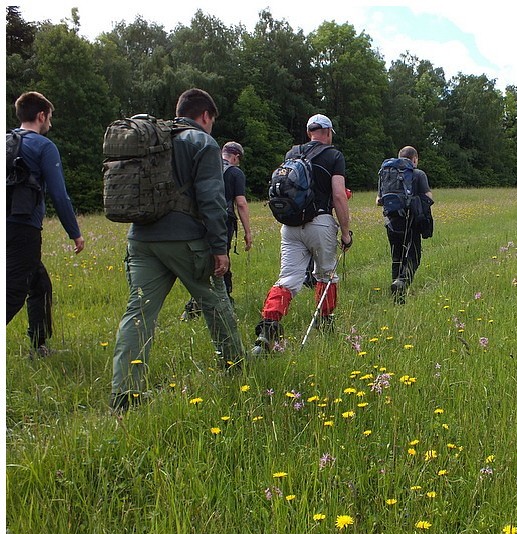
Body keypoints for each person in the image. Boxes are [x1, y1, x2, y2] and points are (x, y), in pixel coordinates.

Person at [110, 88, 245, 412]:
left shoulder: (151, 139)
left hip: (141, 239)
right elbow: (212, 199)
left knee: (138, 314)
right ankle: (236, 370)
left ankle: (124, 395)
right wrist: (219, 247)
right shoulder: (202, 143)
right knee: (215, 304)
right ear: (205, 115)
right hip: (186, 241)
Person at [252, 114, 352, 354]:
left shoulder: (292, 154)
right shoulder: (334, 156)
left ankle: (268, 329)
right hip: (320, 223)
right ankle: (324, 322)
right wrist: (345, 233)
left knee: (287, 279)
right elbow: (339, 195)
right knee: (326, 275)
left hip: (290, 225)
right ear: (327, 132)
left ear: (309, 133)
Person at [6, 91, 85, 357]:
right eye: (49, 117)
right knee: (14, 292)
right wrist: (75, 233)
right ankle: (39, 347)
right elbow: (59, 195)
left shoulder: (6, 141)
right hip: (23, 228)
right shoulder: (43, 146)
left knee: (40, 285)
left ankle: (39, 346)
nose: (50, 122)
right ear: (41, 116)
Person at [182, 140, 253, 319]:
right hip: (223, 221)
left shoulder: (206, 167)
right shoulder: (235, 173)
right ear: (236, 157)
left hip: (198, 220)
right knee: (222, 259)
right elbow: (241, 203)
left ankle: (194, 303)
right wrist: (248, 232)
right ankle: (224, 299)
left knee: (203, 259)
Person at [376, 146, 433, 304]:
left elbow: (378, 200)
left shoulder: (386, 173)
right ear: (414, 159)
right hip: (411, 221)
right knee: (414, 257)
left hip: (391, 222)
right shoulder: (418, 174)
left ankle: (397, 299)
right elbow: (429, 197)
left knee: (397, 257)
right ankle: (402, 282)